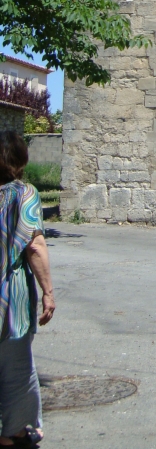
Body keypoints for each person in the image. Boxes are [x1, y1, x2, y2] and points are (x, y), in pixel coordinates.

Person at [0, 131, 55, 447]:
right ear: (21, 161)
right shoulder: (24, 194)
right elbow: (34, 246)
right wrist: (48, 291)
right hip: (9, 300)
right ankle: (14, 434)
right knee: (16, 369)